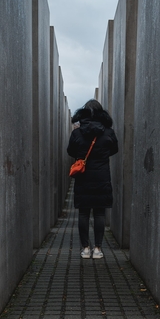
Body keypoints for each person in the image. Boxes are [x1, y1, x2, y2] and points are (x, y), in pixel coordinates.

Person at [67, 99, 118, 259]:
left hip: (83, 177)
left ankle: (85, 249)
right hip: (102, 177)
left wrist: (82, 156)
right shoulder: (108, 132)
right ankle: (98, 249)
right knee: (99, 214)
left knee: (83, 214)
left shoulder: (77, 132)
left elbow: (70, 151)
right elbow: (114, 150)